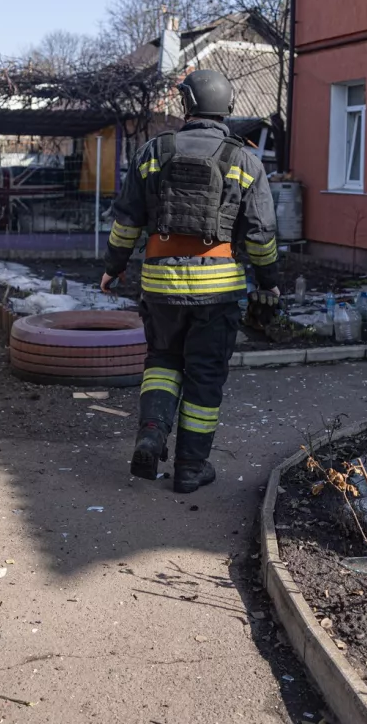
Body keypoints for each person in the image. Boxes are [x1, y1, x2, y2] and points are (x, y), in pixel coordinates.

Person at [100, 69, 280, 494]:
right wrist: (269, 282)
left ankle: (150, 435)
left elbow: (127, 220)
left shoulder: (152, 151)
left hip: (161, 286)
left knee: (162, 361)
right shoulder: (245, 160)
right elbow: (261, 234)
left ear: (188, 105)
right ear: (226, 108)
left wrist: (114, 266)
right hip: (217, 291)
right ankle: (189, 469)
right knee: (204, 375)